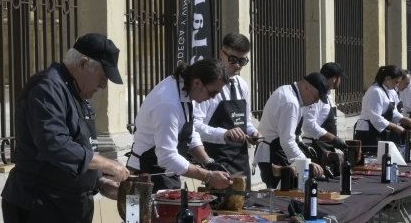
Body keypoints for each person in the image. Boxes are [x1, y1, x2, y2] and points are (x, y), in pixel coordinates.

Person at [1, 34, 131, 223]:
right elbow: (55, 145)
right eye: (102, 76)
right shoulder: (47, 88)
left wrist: (99, 183)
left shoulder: (78, 93)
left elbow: (82, 146)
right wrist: (109, 165)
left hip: (71, 209)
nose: (103, 85)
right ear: (83, 64)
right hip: (41, 208)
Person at [128, 60, 233, 191]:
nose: (212, 98)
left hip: (167, 173)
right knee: (140, 212)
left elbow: (189, 131)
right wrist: (208, 176)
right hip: (144, 176)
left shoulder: (187, 91)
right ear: (197, 83)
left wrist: (208, 162)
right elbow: (167, 156)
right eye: (212, 93)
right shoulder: (168, 103)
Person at [194, 34, 260, 185]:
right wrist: (224, 134)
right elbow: (195, 126)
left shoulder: (242, 85)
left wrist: (252, 133)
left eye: (242, 61)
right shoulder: (207, 84)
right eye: (233, 59)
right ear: (221, 54)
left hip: (241, 160)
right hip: (216, 160)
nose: (237, 65)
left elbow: (245, 121)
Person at [256, 72, 330, 188]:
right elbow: (287, 141)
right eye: (316, 97)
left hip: (278, 151)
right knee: (284, 197)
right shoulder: (291, 102)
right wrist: (306, 163)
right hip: (274, 155)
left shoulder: (289, 91)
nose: (316, 102)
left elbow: (292, 133)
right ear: (306, 88)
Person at [353, 65, 411, 155]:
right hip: (368, 133)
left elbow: (394, 112)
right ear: (388, 79)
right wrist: (395, 127)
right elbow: (375, 118)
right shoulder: (375, 91)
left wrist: (406, 120)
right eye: (396, 82)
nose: (397, 85)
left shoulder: (391, 91)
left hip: (380, 132)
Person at [301, 62, 348, 175]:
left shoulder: (328, 96)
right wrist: (333, 139)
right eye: (340, 78)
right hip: (315, 148)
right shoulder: (317, 96)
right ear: (334, 79)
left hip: (325, 147)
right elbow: (308, 125)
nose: (340, 81)